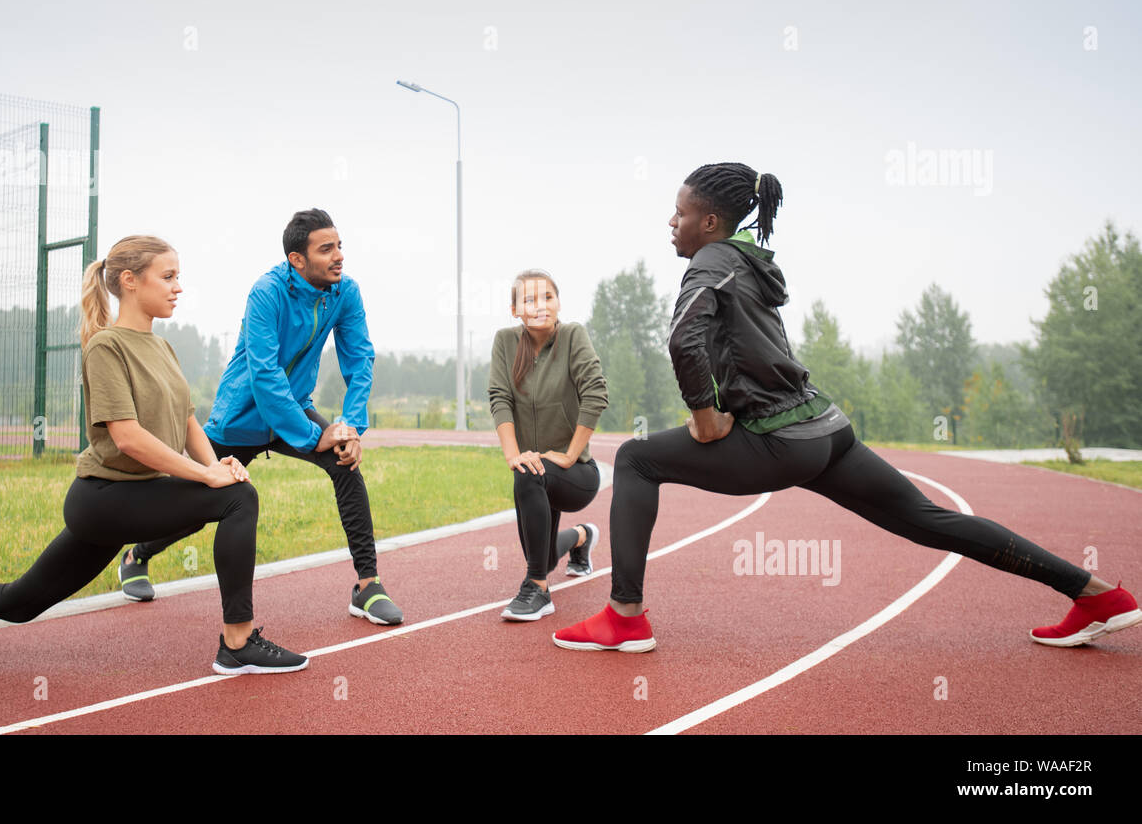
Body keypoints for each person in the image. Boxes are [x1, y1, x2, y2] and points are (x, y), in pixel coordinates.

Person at [553, 162, 1140, 653]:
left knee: (634, 459)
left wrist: (704, 416)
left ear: (709, 222)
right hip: (826, 431)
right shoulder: (749, 263)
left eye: (679, 213)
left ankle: (625, 617)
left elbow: (684, 337)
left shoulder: (710, 263)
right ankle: (1095, 594)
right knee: (933, 521)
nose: (671, 222)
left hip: (777, 442)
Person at [0, 235, 308, 675]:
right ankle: (237, 644)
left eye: (177, 277)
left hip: (135, 498)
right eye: (167, 276)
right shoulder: (105, 345)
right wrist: (207, 479)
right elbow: (127, 438)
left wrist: (215, 465)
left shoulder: (162, 346)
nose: (178, 287)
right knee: (236, 500)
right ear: (130, 280)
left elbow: (188, 422)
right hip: (104, 499)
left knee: (17, 603)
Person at [118, 209, 404, 625]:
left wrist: (349, 427)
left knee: (346, 464)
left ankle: (367, 584)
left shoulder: (345, 292)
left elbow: (360, 359)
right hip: (241, 416)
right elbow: (265, 374)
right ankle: (136, 555)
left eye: (340, 246)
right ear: (297, 260)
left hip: (296, 409)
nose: (339, 256)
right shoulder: (266, 293)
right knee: (197, 506)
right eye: (326, 249)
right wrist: (311, 435)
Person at [488, 270, 609, 620]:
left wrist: (570, 454)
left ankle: (537, 589)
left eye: (547, 297)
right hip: (533, 469)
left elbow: (596, 392)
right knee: (540, 549)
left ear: (558, 303)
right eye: (530, 300)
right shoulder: (505, 342)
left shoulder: (573, 336)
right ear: (515, 310)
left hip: (576, 473)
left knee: (528, 478)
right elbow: (499, 397)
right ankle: (581, 538)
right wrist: (513, 455)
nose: (540, 306)